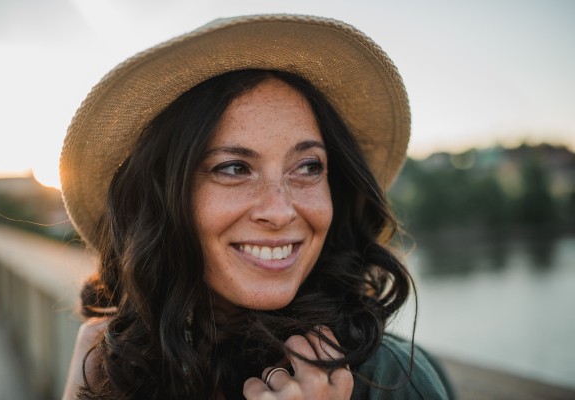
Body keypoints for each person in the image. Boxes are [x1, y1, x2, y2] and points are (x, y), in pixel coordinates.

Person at [60, 14, 453, 400]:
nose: (280, 212)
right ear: (160, 198)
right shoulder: (124, 367)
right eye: (234, 168)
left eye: (308, 167)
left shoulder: (393, 381)